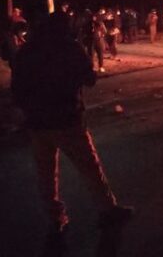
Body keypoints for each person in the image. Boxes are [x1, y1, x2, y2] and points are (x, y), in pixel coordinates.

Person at [11, 12, 133, 235]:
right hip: (67, 119)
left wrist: (26, 111)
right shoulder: (69, 48)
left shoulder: (27, 51)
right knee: (89, 167)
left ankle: (55, 218)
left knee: (46, 173)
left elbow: (17, 87)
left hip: (38, 123)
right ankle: (107, 209)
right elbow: (89, 78)